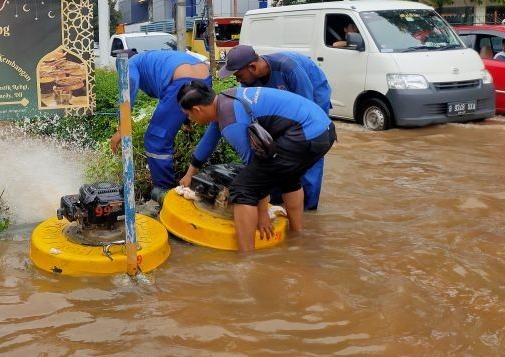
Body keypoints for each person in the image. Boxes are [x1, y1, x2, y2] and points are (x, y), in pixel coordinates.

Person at [177, 81, 336, 253]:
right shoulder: (225, 100)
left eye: (188, 115)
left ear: (197, 110)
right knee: (287, 176)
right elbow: (209, 141)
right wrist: (190, 173)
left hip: (305, 134)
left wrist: (262, 214)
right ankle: (297, 237)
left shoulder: (231, 122)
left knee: (243, 189)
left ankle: (247, 259)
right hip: (323, 130)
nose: (190, 120)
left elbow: (256, 166)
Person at [217, 44, 331, 210]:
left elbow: (306, 110)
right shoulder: (249, 81)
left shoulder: (289, 69)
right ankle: (276, 200)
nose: (237, 80)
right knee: (277, 149)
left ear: (252, 67)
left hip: (313, 94)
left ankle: (307, 206)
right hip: (285, 102)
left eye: (238, 75)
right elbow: (250, 114)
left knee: (308, 146)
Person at [109, 49, 211, 200]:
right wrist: (185, 119)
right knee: (165, 132)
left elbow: (129, 87)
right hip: (204, 77)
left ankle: (165, 193)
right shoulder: (150, 58)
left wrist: (121, 128)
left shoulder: (130, 64)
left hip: (182, 81)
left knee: (156, 139)